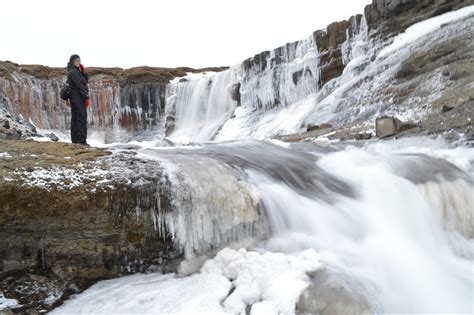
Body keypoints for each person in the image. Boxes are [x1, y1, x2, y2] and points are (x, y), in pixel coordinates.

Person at [67, 54, 90, 145]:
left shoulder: (76, 71)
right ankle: (81, 141)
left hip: (75, 97)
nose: (78, 62)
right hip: (77, 97)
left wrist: (83, 72)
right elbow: (79, 85)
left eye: (79, 60)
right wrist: (86, 96)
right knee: (81, 118)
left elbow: (85, 81)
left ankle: (75, 140)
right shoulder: (74, 72)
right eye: (76, 60)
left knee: (76, 118)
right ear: (72, 61)